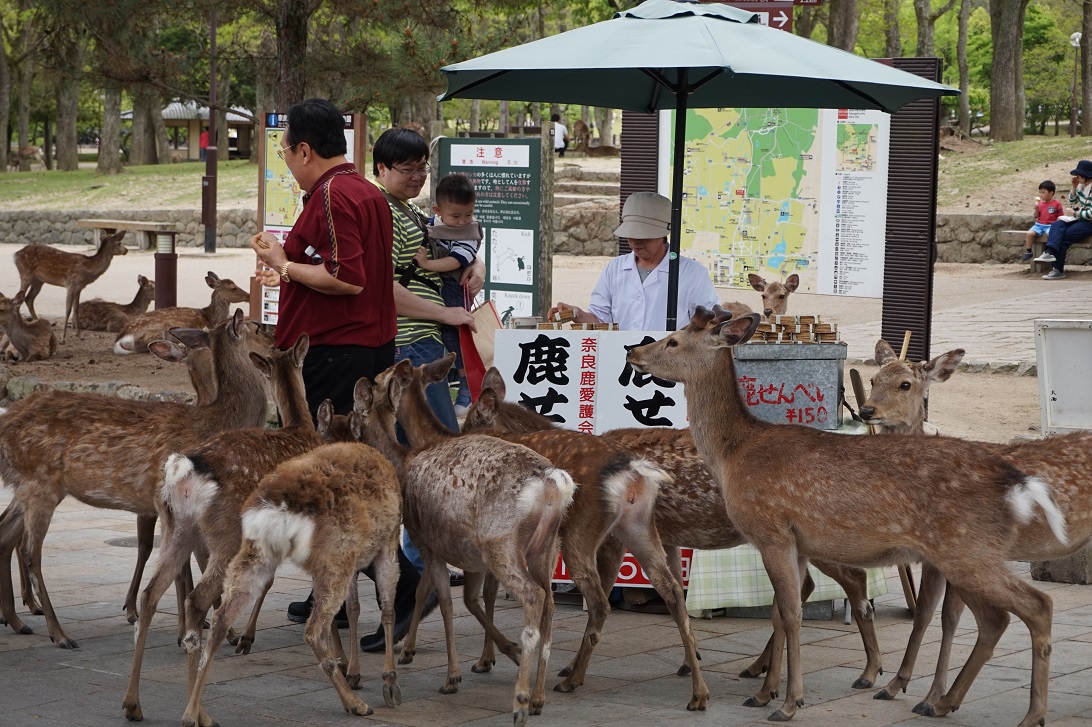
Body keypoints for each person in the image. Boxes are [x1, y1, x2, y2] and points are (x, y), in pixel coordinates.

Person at [248, 98, 431, 644]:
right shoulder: (366, 193)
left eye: (286, 151)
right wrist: (291, 268)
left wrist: (284, 264)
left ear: (305, 149)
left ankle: (402, 591)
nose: (285, 159)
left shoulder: (331, 194)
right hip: (365, 346)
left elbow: (347, 277)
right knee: (353, 472)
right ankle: (339, 588)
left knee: (334, 478)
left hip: (336, 351)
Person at [368, 126, 484, 652]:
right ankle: (417, 575)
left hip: (423, 351)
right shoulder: (384, 212)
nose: (416, 176)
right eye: (406, 168)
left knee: (423, 461)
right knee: (425, 460)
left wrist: (472, 262)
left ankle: (417, 573)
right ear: (380, 169)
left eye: (421, 168)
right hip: (409, 352)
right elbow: (385, 287)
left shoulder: (409, 214)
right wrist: (444, 310)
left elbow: (453, 247)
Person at [548, 191, 719, 330]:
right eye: (631, 235)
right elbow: (600, 320)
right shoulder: (614, 268)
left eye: (644, 236)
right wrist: (576, 313)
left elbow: (709, 323)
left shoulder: (693, 273)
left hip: (671, 368)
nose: (636, 241)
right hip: (621, 361)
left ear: (664, 234)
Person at [412, 172, 483, 416]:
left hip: (454, 286)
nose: (463, 221)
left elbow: (455, 261)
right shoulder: (431, 224)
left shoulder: (470, 233)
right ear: (437, 210)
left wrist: (427, 265)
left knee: (455, 338)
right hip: (438, 290)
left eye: (469, 214)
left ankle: (467, 388)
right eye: (456, 216)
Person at [1034, 159, 1092, 280]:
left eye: (1079, 175)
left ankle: (1057, 269)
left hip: (1088, 222)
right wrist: (1074, 187)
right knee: (1057, 224)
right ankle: (1049, 253)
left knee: (1063, 237)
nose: (1077, 177)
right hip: (1080, 218)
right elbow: (1073, 201)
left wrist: (1075, 213)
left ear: (1087, 176)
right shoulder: (1081, 186)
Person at [1023, 180, 1063, 262]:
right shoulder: (1040, 204)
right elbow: (1036, 216)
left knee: (1050, 234)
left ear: (1051, 193)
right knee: (1029, 233)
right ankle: (1028, 251)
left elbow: (1060, 215)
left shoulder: (1057, 203)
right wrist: (1036, 209)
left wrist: (1058, 222)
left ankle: (1048, 251)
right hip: (1039, 225)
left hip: (1051, 225)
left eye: (1043, 192)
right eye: (1040, 192)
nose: (1041, 195)